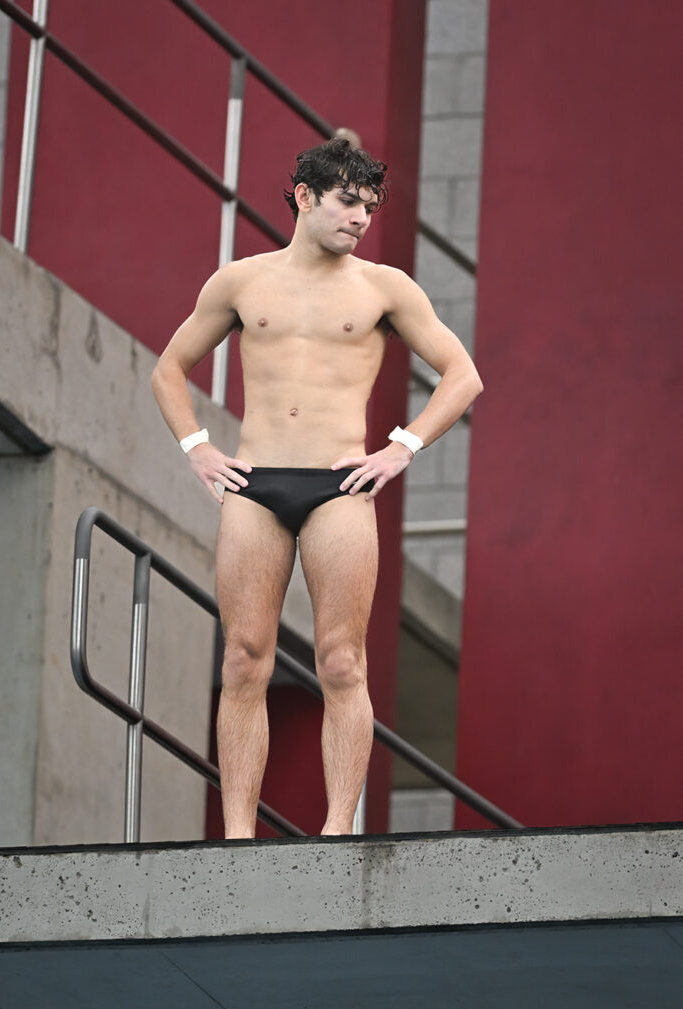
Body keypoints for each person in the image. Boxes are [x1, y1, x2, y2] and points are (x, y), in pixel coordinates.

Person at [151, 137, 483, 839]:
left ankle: (337, 831)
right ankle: (238, 836)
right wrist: (197, 448)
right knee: (245, 658)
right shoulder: (241, 281)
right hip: (254, 482)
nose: (361, 218)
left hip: (339, 484)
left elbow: (464, 375)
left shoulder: (385, 287)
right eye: (347, 202)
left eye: (368, 206)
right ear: (304, 197)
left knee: (341, 660)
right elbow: (169, 368)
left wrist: (402, 447)